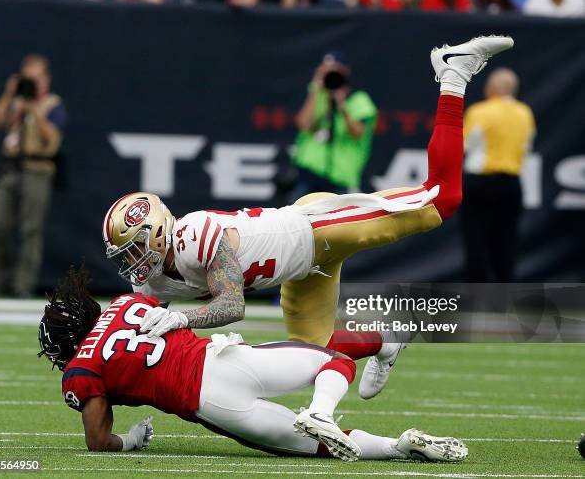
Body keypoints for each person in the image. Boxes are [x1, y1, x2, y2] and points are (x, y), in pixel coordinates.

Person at [102, 35, 514, 400]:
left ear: (157, 233)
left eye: (134, 247)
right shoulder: (150, 278)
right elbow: (123, 328)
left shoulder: (196, 235)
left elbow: (232, 304)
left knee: (441, 199)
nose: (132, 261)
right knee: (311, 348)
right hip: (302, 269)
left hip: (314, 230)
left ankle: (453, 72)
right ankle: (388, 340)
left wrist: (176, 318)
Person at [38, 266, 468, 462]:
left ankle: (396, 446)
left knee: (315, 447)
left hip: (209, 399)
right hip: (227, 356)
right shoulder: (126, 303)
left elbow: (97, 439)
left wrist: (128, 442)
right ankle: (325, 406)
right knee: (334, 362)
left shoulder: (81, 369)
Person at [0, 54, 67, 298]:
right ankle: (1, 281)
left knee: (30, 229)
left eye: (36, 77)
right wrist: (9, 95)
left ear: (46, 79)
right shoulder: (15, 103)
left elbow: (51, 138)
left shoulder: (52, 105)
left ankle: (23, 285)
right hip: (11, 168)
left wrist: (33, 109)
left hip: (37, 169)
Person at [461, 68, 536, 282]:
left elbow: (465, 144)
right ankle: (503, 295)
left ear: (493, 88)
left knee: (476, 240)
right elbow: (527, 147)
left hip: (480, 183)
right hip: (511, 183)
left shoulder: (480, 111)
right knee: (506, 240)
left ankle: (476, 296)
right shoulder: (525, 113)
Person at [293, 52, 377, 197]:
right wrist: (316, 87)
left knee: (338, 219)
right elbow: (304, 124)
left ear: (345, 72)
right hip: (309, 173)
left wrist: (342, 106)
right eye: (326, 71)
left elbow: (358, 133)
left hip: (340, 177)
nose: (331, 76)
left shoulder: (358, 99)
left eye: (335, 72)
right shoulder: (317, 94)